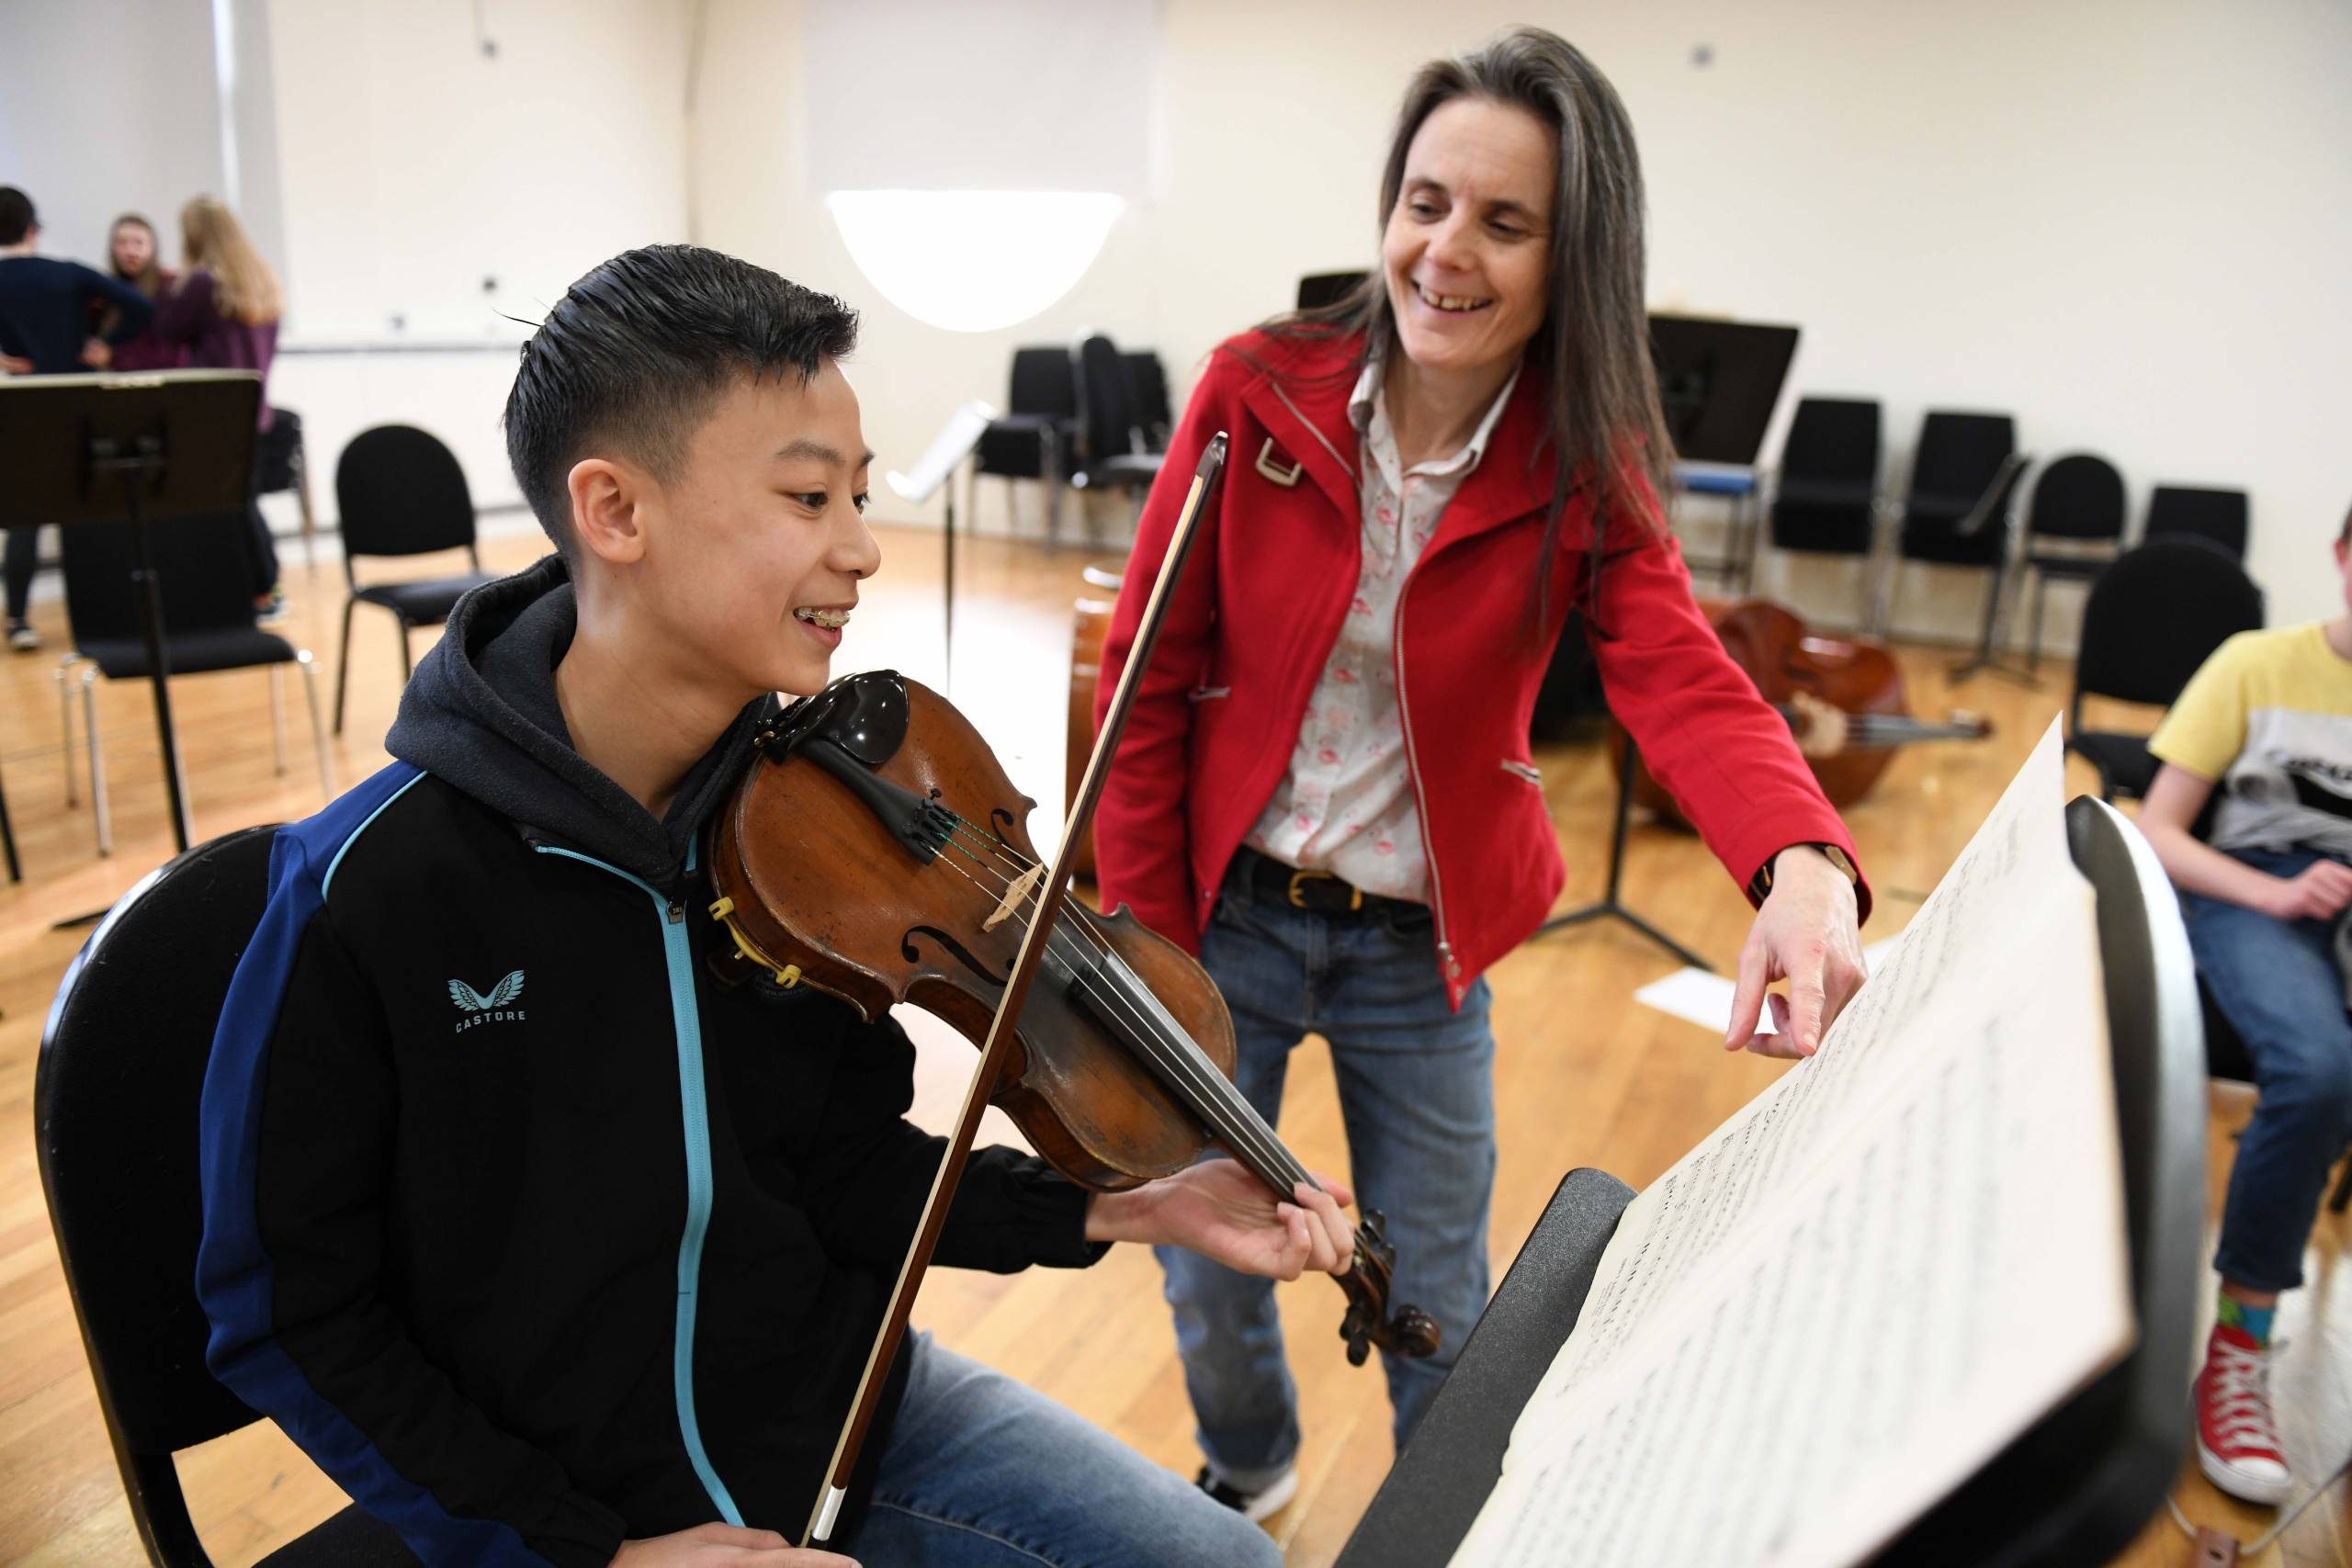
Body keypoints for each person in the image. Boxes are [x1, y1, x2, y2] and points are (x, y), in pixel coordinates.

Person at [196, 243, 1340, 1568]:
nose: (859, 545)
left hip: (849, 1423)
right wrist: (588, 1552)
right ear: (616, 511)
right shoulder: (368, 890)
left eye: (856, 492)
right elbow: (284, 1305)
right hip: (564, 1511)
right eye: (808, 496)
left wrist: (1123, 1204)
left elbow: (839, 1167)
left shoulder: (804, 842)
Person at [1091, 27, 1871, 1520]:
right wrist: (1147, 937)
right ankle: (1248, 1467)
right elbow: (1144, 685)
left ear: (1571, 258)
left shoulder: (1589, 453)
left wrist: (1805, 860)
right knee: (1201, 1248)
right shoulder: (1258, 387)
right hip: (1220, 918)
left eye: (1504, 223)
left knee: (1443, 1289)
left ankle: (1435, 1526)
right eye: (1427, 202)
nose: (1447, 252)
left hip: (1416, 949)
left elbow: (1680, 668)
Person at [2138, 507, 2352, 1506]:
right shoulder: (2253, 665)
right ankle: (2238, 1351)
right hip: (2251, 893)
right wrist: (2271, 892)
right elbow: (2160, 829)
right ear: (2344, 560)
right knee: (2315, 1072)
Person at [0, 185, 156, 651]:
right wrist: (102, 346)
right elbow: (141, 306)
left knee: (26, 512)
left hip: (26, 402)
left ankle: (19, 620)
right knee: (88, 503)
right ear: (33, 228)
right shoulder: (67, 274)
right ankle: (100, 616)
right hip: (78, 398)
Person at [151, 195, 285, 621]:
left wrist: (167, 288)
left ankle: (259, 590)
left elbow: (166, 330)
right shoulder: (261, 282)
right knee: (244, 502)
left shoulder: (203, 283)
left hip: (210, 413)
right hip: (255, 412)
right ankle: (266, 588)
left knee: (228, 505)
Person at [83, 212, 187, 373]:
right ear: (112, 248)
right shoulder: (103, 293)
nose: (130, 251)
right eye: (122, 243)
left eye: (139, 243)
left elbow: (174, 353)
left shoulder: (170, 288)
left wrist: (115, 356)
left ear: (152, 247)